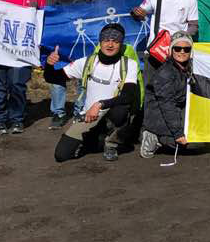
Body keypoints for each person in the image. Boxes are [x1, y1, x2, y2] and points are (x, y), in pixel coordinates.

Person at [47, 24, 140, 162]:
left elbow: (128, 96)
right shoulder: (87, 62)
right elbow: (52, 78)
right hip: (89, 116)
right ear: (100, 42)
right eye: (106, 40)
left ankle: (112, 143)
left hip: (110, 113)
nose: (110, 45)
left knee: (121, 109)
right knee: (61, 155)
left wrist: (100, 104)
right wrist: (49, 65)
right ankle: (100, 139)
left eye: (115, 41)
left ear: (121, 44)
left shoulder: (129, 64)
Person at [45, 0, 101, 128]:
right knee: (57, 72)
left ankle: (80, 109)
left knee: (84, 73)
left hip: (84, 35)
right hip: (61, 37)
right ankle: (58, 112)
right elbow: (50, 17)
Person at [0, 0, 45, 135]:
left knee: (17, 85)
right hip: (1, 47)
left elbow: (43, 21)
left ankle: (16, 119)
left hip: (23, 50)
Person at [131, 0, 200, 80]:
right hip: (154, 52)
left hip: (177, 53)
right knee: (150, 88)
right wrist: (136, 13)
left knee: (175, 88)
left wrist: (180, 41)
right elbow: (139, 13)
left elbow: (193, 26)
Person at [140, 30, 194, 158]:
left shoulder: (189, 68)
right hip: (159, 115)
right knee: (192, 143)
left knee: (201, 137)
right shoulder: (165, 73)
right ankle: (154, 137)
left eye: (186, 49)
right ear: (171, 50)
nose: (182, 52)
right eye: (177, 48)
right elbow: (167, 105)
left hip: (178, 109)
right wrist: (178, 133)